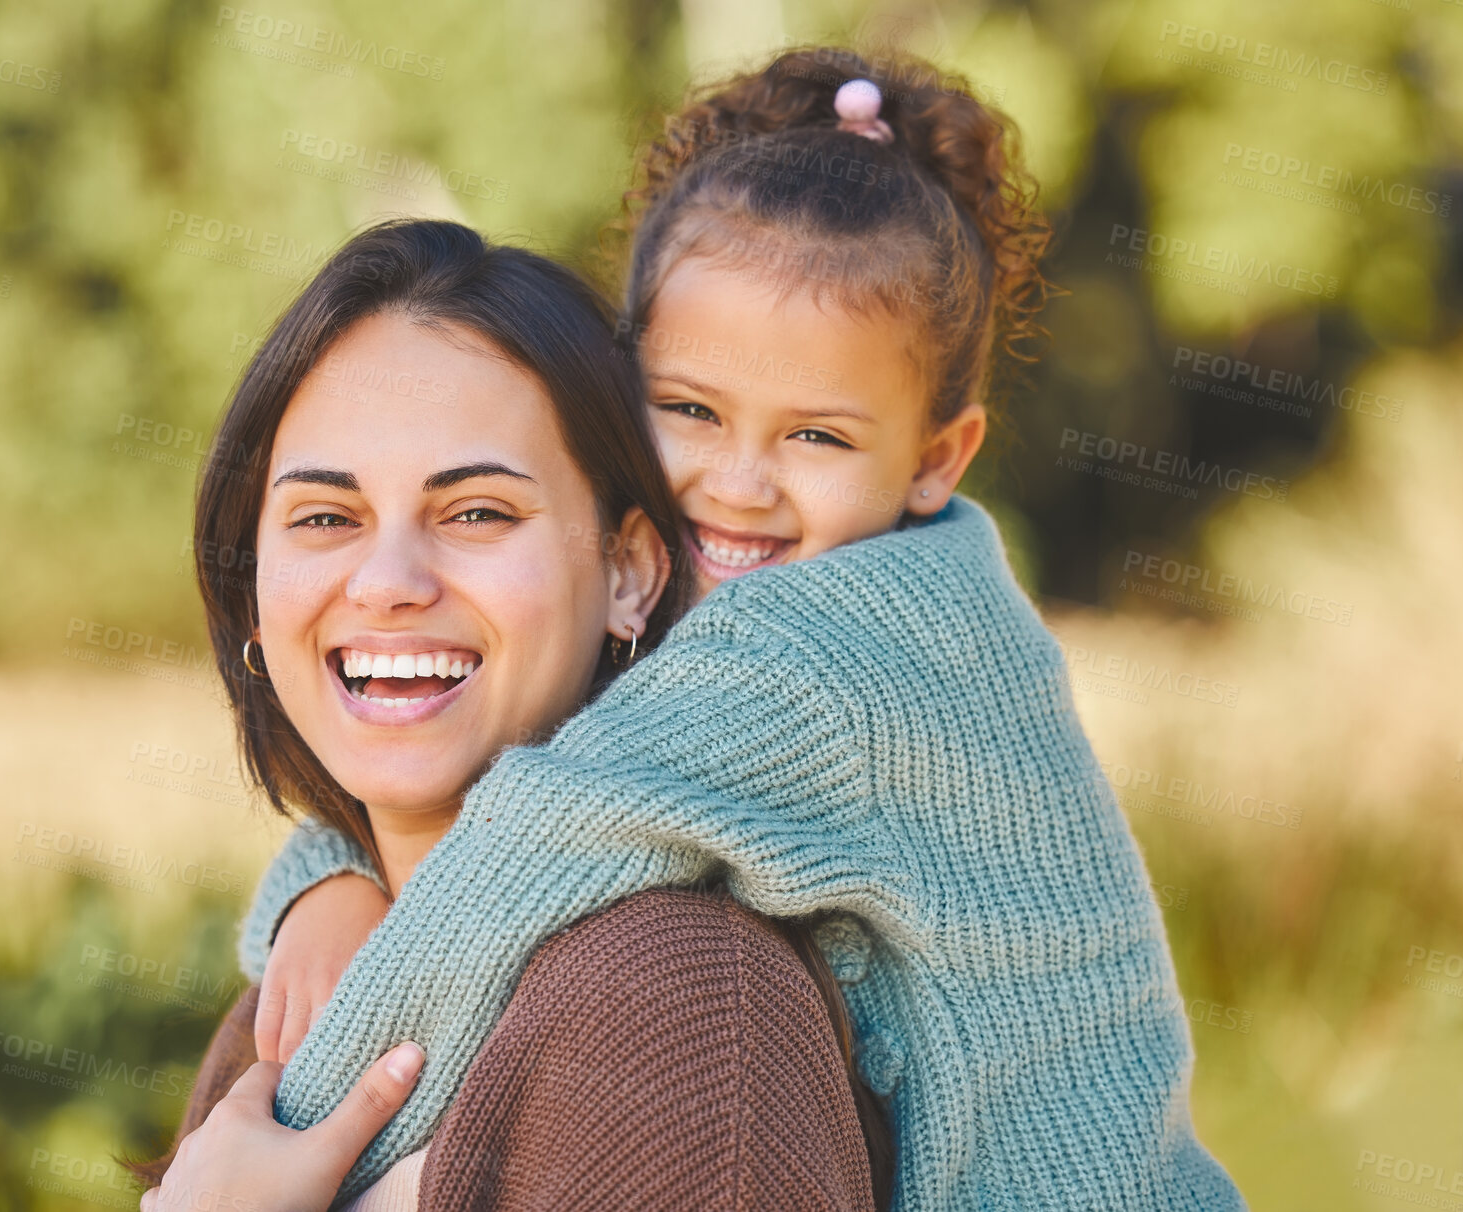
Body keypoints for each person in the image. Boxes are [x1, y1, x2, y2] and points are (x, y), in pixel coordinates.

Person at [243, 47, 1246, 1211]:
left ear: (934, 458)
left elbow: (537, 842)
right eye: (688, 411)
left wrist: (303, 1147)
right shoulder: (791, 603)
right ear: (623, 388)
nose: (738, 484)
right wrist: (327, 883)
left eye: (814, 438)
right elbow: (482, 792)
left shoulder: (831, 649)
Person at [130, 216, 886, 1211]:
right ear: (253, 595)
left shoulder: (678, 1006)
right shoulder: (290, 1013)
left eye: (477, 512)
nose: (387, 581)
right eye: (326, 518)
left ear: (627, 573)